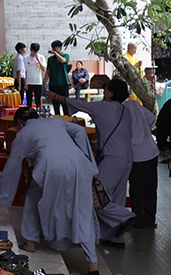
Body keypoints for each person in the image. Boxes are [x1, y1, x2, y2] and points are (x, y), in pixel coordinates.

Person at [0, 107, 100, 275]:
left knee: (32, 201)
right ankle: (92, 264)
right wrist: (84, 154)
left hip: (51, 167)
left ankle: (30, 242)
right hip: (79, 165)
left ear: (20, 123)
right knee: (83, 210)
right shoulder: (55, 121)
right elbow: (79, 131)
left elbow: (13, 166)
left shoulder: (23, 133)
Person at [48, 79, 138, 244]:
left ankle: (125, 217)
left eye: (106, 90)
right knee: (116, 196)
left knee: (93, 194)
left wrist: (55, 96)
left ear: (111, 93)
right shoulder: (125, 110)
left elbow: (79, 104)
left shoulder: (104, 107)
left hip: (113, 157)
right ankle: (114, 238)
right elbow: (119, 134)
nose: (104, 92)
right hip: (127, 158)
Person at [124, 96, 159, 229]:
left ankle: (138, 221)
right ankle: (150, 220)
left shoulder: (118, 110)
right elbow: (151, 117)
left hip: (137, 156)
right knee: (150, 189)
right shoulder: (133, 104)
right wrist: (144, 130)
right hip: (151, 151)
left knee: (137, 191)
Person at [46, 41, 71, 115]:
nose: (54, 49)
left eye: (55, 48)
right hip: (53, 84)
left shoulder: (65, 56)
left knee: (65, 105)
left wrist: (56, 53)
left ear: (60, 48)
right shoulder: (50, 59)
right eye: (53, 48)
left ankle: (67, 118)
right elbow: (48, 71)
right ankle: (57, 119)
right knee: (55, 105)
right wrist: (45, 82)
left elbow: (63, 61)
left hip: (63, 83)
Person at [24, 42, 45, 109]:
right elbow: (25, 71)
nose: (34, 53)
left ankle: (38, 110)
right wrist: (25, 82)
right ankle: (29, 111)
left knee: (38, 99)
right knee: (29, 100)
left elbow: (43, 69)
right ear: (31, 50)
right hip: (29, 81)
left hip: (38, 81)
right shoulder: (26, 58)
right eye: (33, 51)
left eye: (36, 51)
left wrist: (38, 60)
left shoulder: (41, 57)